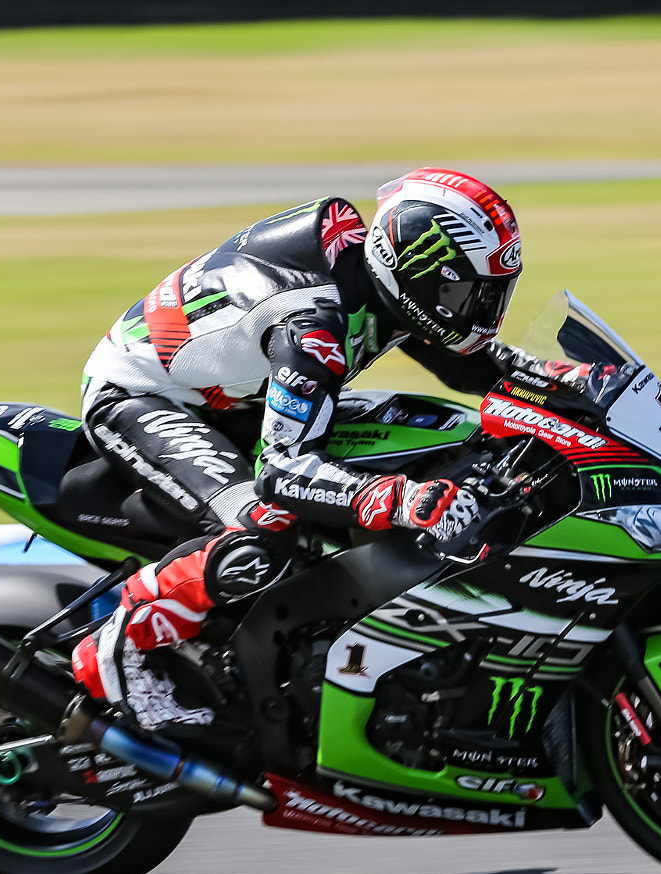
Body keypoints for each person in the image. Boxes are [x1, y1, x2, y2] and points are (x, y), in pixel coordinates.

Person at [70, 168, 533, 731]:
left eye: (489, 296)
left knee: (431, 440)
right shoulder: (313, 320)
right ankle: (120, 643)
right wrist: (400, 500)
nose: (477, 313)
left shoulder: (385, 286)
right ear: (416, 274)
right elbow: (283, 473)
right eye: (463, 294)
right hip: (143, 398)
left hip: (234, 399)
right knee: (263, 527)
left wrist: (577, 381)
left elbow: (474, 369)